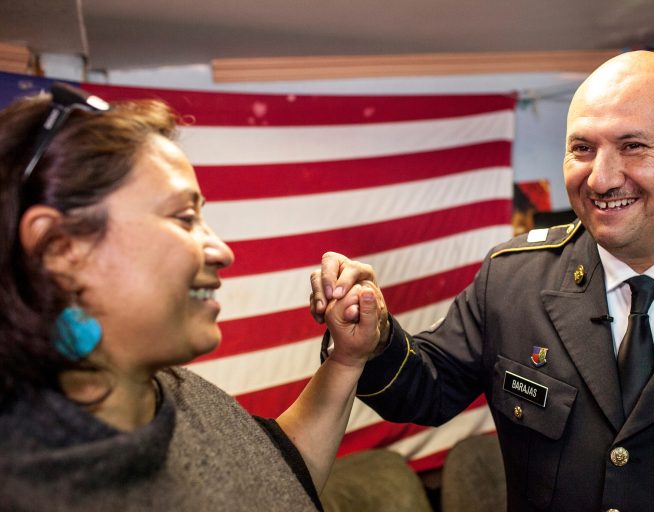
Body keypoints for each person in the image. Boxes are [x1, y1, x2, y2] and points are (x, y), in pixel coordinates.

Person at [310, 50, 654, 511]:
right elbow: (425, 389)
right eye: (583, 149)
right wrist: (373, 337)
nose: (602, 179)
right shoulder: (514, 279)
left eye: (633, 146)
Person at [0, 83, 383, 511]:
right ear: (60, 249)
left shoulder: (176, 389)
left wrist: (347, 359)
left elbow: (275, 480)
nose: (222, 250)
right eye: (185, 217)